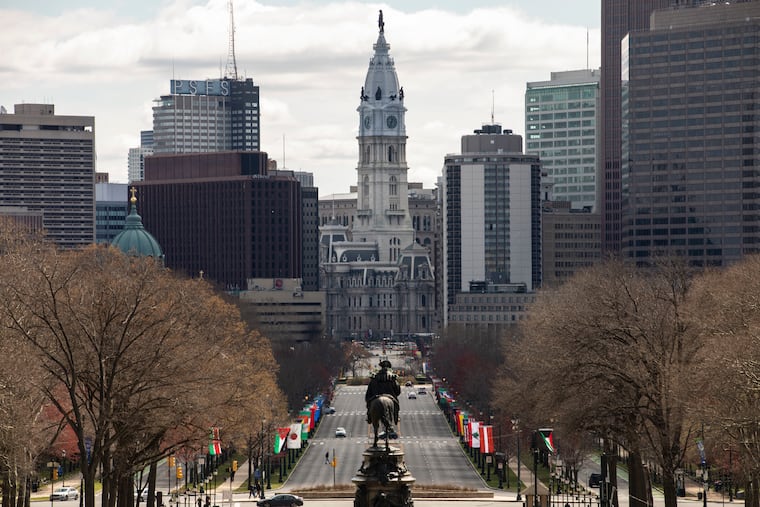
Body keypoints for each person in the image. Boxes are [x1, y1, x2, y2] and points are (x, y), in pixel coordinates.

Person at [365, 359, 401, 426]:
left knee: (369, 405)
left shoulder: (374, 378)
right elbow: (398, 391)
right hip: (391, 396)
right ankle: (396, 417)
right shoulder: (392, 378)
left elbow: (369, 392)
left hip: (375, 396)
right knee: (396, 405)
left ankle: (369, 416)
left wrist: (368, 400)